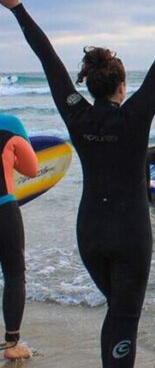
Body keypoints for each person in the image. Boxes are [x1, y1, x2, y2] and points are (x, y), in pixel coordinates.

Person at [0, 0, 155, 367]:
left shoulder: (76, 113)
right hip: (131, 234)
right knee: (124, 316)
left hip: (90, 235)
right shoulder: (136, 115)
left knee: (118, 312)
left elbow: (48, 61)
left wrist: (18, 10)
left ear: (92, 84)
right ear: (122, 87)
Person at [0, 114, 37, 360]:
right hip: (3, 209)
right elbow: (32, 169)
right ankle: (12, 344)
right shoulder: (9, 125)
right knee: (14, 273)